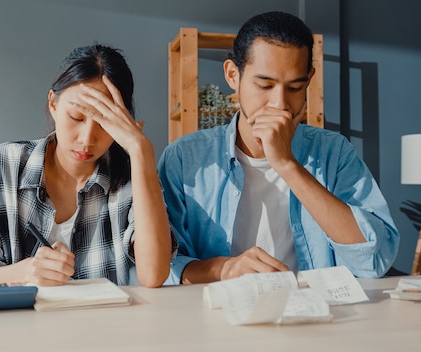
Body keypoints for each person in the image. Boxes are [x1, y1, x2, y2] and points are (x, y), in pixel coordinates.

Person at [158, 11, 400, 285]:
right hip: (218, 316)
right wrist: (224, 269)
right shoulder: (184, 158)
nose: (280, 103)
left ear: (309, 80)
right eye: (265, 85)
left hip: (314, 315)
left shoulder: (334, 152)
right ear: (232, 75)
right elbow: (161, 266)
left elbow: (373, 260)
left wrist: (287, 165)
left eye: (295, 88)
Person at [0, 44, 176, 288]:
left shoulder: (131, 177)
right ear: (53, 103)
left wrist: (141, 150)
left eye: (104, 123)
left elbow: (154, 275)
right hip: (17, 323)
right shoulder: (4, 165)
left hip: (104, 324)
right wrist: (26, 272)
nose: (87, 139)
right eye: (76, 118)